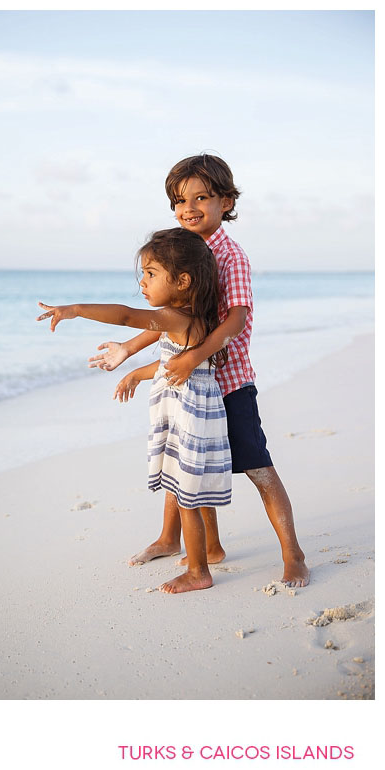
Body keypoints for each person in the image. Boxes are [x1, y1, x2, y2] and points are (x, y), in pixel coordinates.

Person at [88, 154, 309, 588]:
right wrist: (130, 351)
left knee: (258, 468)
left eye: (201, 197)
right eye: (178, 201)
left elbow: (235, 321)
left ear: (225, 202)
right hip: (189, 388)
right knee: (182, 460)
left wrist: (195, 356)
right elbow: (169, 317)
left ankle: (293, 553)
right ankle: (187, 542)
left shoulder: (230, 256)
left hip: (227, 382)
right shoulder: (182, 250)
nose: (188, 208)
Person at [38, 228, 231, 593]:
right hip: (194, 414)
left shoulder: (176, 319)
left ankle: (199, 572)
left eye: (151, 274)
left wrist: (75, 310)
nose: (143, 281)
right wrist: (135, 375)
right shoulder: (194, 318)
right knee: (193, 487)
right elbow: (170, 366)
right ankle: (213, 548)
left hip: (188, 418)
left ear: (183, 281)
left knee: (188, 498)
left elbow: (127, 316)